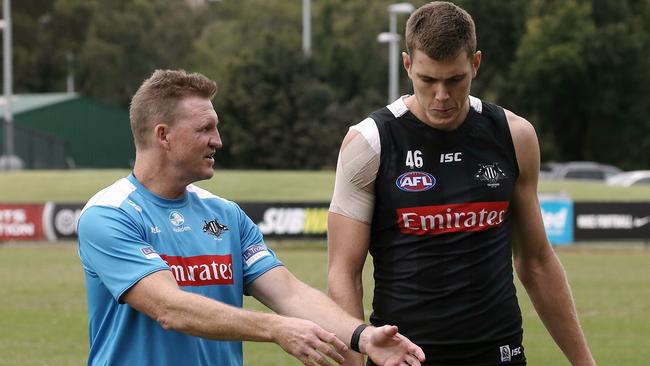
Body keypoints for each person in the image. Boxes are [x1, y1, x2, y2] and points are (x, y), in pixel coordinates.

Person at [77, 69, 426, 366]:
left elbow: (289, 294)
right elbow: (170, 308)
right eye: (205, 129)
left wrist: (362, 337)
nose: (219, 141)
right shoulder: (109, 214)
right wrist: (275, 328)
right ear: (163, 135)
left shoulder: (225, 215)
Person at [327, 2, 596, 365]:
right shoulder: (368, 143)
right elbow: (344, 273)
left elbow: (536, 262)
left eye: (455, 80)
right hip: (404, 357)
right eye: (427, 80)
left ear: (476, 64)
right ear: (408, 65)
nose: (441, 95)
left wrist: (584, 362)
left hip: (499, 353)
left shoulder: (513, 136)